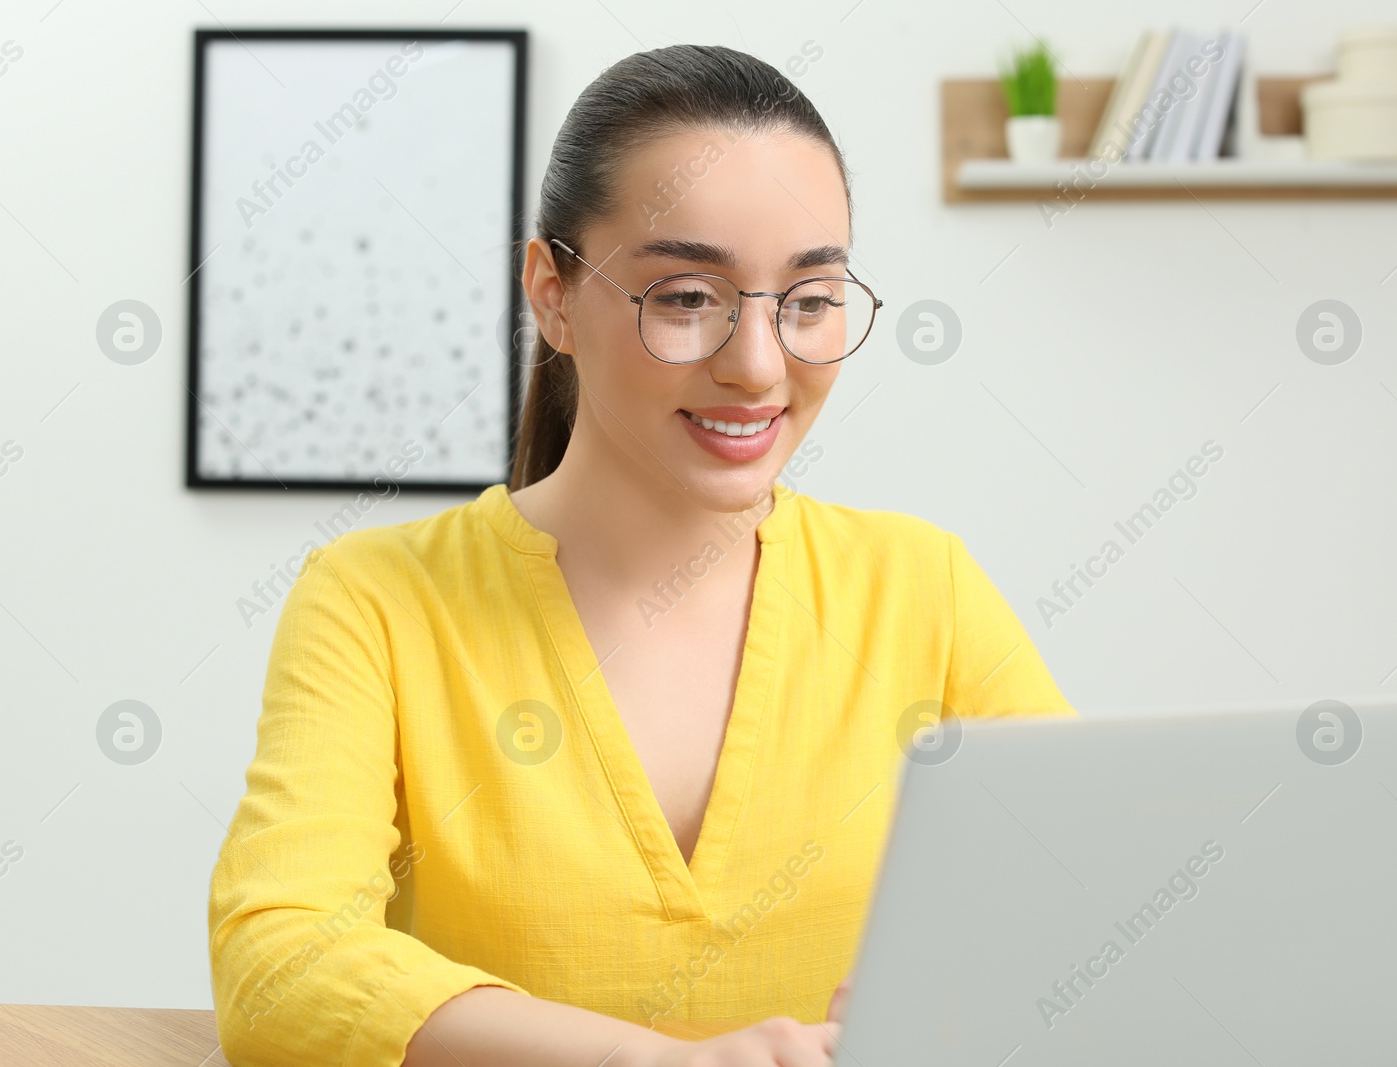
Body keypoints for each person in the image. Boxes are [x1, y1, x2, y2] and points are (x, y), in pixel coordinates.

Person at [207, 42, 1073, 1067]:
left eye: (807, 301)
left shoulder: (923, 589)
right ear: (552, 293)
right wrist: (657, 1059)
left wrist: (985, 983)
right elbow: (281, 965)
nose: (756, 368)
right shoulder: (377, 599)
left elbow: (1090, 897)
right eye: (685, 297)